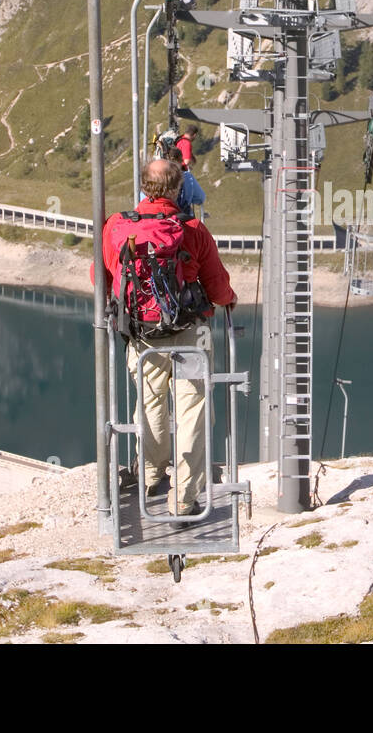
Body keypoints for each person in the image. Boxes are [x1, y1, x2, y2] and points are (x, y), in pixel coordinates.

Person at [99, 158, 236, 518]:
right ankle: (184, 499)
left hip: (142, 335)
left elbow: (105, 278)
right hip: (189, 334)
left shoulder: (117, 225)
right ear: (178, 189)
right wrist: (229, 299)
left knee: (150, 404)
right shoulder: (192, 229)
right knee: (191, 411)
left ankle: (150, 474)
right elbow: (217, 287)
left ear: (144, 187)